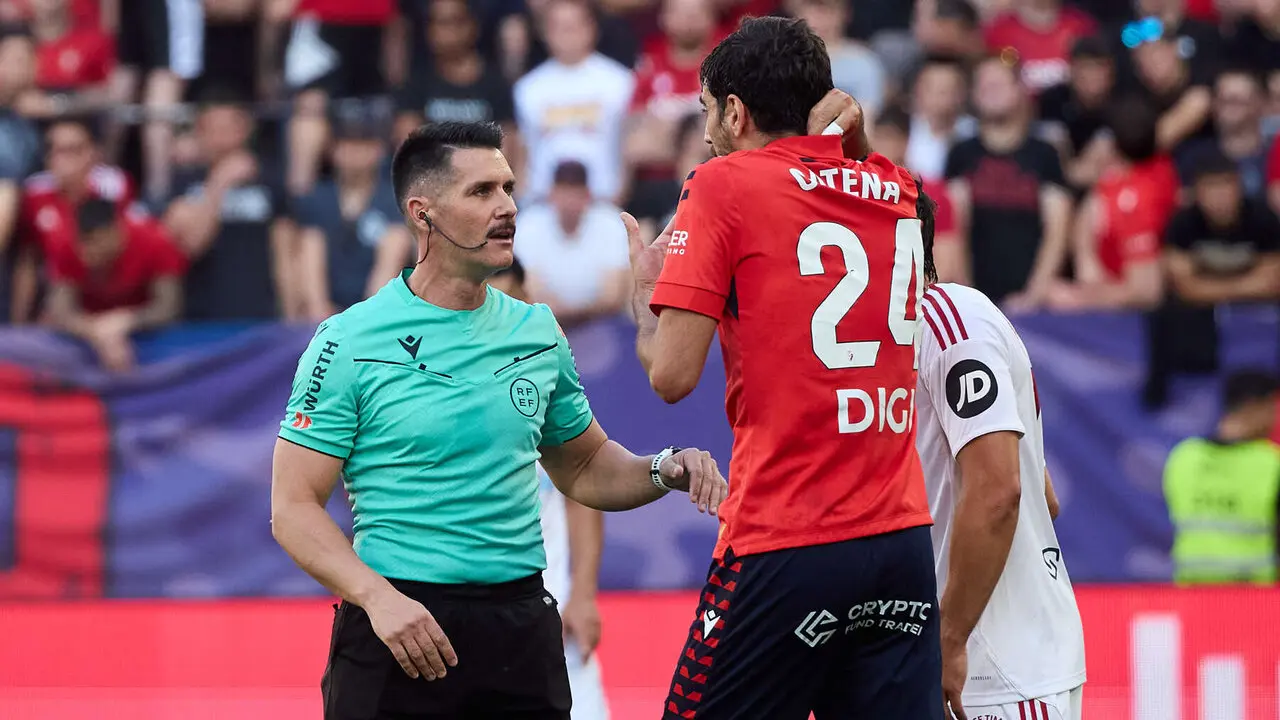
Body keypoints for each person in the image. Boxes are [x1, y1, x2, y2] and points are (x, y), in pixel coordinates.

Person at [270, 120, 727, 720]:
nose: (508, 207)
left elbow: (584, 466)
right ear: (422, 212)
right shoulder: (348, 340)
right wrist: (377, 599)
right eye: (481, 192)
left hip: (520, 632)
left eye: (509, 188)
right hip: (398, 629)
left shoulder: (536, 331)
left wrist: (663, 468)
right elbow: (294, 507)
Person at [627, 17, 941, 719]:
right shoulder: (897, 190)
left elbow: (671, 377)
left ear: (735, 111)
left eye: (708, 109)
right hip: (900, 540)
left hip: (788, 536)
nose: (706, 130)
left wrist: (645, 296)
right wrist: (853, 139)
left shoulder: (722, 183)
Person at [912, 194, 1087, 720]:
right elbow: (1043, 496)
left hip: (998, 673)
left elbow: (1000, 492)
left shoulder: (947, 320)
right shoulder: (893, 342)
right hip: (966, 664)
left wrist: (951, 636)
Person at [487, 258, 612, 720]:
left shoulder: (545, 385)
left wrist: (582, 593)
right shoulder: (432, 392)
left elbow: (582, 491)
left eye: (508, 300)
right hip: (463, 619)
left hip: (550, 617)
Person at [1163, 369, 1280, 585]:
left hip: (1191, 596)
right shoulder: (1271, 463)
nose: (1274, 418)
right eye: (1272, 408)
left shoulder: (1183, 457)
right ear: (1253, 406)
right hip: (1255, 603)